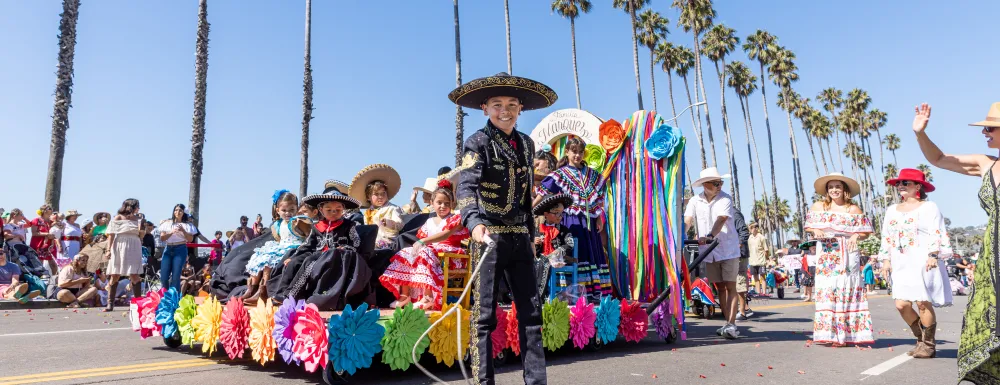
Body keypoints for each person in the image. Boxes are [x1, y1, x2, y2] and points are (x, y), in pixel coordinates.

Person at [450, 71, 556, 384]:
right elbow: (466, 186)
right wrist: (475, 224)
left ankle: (536, 381)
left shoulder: (527, 144)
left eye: (511, 103)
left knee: (531, 315)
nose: (505, 109)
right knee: (484, 318)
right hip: (488, 239)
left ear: (521, 107)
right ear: (485, 108)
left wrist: (532, 234)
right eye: (497, 104)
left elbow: (526, 196)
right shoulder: (477, 142)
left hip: (520, 239)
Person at [913, 102, 1000, 381]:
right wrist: (920, 133)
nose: (985, 132)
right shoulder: (986, 163)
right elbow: (938, 159)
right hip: (992, 254)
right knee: (987, 318)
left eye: (991, 128)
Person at [876, 167, 954, 359]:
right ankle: (920, 338)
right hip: (900, 260)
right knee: (901, 304)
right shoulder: (892, 210)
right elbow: (887, 236)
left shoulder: (929, 207)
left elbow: (937, 231)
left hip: (923, 259)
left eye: (905, 183)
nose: (900, 186)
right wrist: (886, 260)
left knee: (922, 302)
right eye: (899, 183)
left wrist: (933, 254)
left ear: (918, 186)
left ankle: (927, 345)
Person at [271, 187, 370, 310]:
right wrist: (294, 257)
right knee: (294, 262)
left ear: (343, 210)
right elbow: (307, 245)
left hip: (335, 258)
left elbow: (356, 243)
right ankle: (280, 293)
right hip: (316, 253)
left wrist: (343, 248)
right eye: (329, 209)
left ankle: (292, 296)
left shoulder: (349, 225)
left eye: (337, 209)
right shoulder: (317, 227)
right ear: (321, 210)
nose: (333, 212)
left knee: (310, 261)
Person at [805, 172, 875, 347]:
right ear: (826, 190)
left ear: (845, 189)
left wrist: (855, 236)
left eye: (838, 186)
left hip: (847, 253)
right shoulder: (819, 207)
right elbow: (809, 226)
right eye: (831, 187)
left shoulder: (853, 209)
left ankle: (845, 336)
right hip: (826, 253)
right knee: (828, 288)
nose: (834, 190)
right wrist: (815, 231)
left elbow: (866, 232)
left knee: (846, 287)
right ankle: (830, 333)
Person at [537, 136, 610, 298]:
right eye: (574, 152)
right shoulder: (560, 174)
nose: (577, 155)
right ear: (567, 152)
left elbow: (599, 198)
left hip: (589, 222)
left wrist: (598, 218)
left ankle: (592, 291)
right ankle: (570, 291)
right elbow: (543, 192)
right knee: (576, 251)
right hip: (571, 222)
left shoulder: (592, 175)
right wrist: (531, 208)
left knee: (591, 252)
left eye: (580, 152)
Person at [380, 181, 469, 310]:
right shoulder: (429, 221)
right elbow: (422, 243)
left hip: (450, 256)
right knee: (406, 252)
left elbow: (445, 235)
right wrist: (417, 247)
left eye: (447, 203)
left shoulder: (455, 219)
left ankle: (428, 297)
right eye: (439, 202)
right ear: (432, 203)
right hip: (433, 253)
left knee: (424, 252)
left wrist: (423, 242)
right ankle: (405, 294)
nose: (443, 206)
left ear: (452, 204)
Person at [684, 167, 741, 339]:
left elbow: (721, 219)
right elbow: (688, 219)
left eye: (720, 182)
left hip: (728, 249)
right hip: (708, 251)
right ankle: (726, 322)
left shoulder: (725, 199)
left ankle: (731, 324)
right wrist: (682, 234)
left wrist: (709, 236)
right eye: (716, 183)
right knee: (720, 287)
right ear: (705, 184)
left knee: (731, 285)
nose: (719, 186)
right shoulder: (695, 201)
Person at [243, 190, 311, 305]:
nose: (287, 213)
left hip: (294, 248)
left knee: (268, 263)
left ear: (297, 209)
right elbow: (280, 239)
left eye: (291, 210)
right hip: (281, 246)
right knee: (258, 258)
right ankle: (251, 289)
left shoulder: (298, 222)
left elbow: (309, 237)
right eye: (284, 210)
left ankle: (263, 292)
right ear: (277, 210)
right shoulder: (278, 225)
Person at [103, 199, 145, 312]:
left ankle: (138, 304)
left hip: (134, 246)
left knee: (134, 274)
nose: (138, 208)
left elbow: (141, 236)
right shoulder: (118, 217)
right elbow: (111, 235)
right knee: (115, 274)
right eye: (137, 206)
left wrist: (142, 225)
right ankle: (110, 303)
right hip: (119, 245)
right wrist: (108, 250)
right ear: (130, 206)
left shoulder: (139, 219)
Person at [349, 164, 404, 251]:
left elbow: (400, 224)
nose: (380, 196)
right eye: (376, 194)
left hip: (389, 242)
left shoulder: (393, 208)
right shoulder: (368, 212)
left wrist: (389, 222)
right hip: (372, 242)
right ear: (368, 197)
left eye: (383, 193)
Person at [532, 194, 576, 298]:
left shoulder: (564, 230)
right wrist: (534, 243)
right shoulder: (537, 230)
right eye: (556, 213)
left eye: (561, 214)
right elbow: (534, 250)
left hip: (559, 258)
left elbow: (570, 244)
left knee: (545, 262)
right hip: (541, 258)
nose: (559, 217)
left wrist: (558, 251)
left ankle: (539, 295)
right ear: (546, 214)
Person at [158, 204, 195, 293]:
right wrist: (171, 232)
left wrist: (183, 231)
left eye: (180, 210)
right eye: (176, 210)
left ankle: (174, 298)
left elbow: (190, 239)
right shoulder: (167, 223)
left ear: (183, 213)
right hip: (168, 247)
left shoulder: (187, 225)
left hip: (180, 248)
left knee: (176, 276)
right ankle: (165, 296)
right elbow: (162, 238)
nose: (177, 212)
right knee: (164, 276)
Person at [732, 211, 752, 321]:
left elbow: (744, 232)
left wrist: (737, 245)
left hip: (739, 254)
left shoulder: (734, 214)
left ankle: (743, 311)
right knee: (732, 283)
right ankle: (740, 309)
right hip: (730, 254)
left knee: (740, 282)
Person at [29, 205, 57, 277]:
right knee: (39, 263)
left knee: (53, 263)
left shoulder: (51, 222)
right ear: (44, 211)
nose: (51, 209)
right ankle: (38, 278)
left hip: (50, 244)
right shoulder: (36, 220)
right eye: (49, 208)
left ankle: (54, 279)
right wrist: (47, 234)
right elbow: (34, 233)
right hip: (39, 244)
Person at [747, 222, 769, 295]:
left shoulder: (761, 237)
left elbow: (766, 250)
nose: (750, 230)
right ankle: (758, 292)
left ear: (756, 228)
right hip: (752, 261)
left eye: (751, 228)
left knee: (762, 277)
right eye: (749, 228)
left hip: (761, 261)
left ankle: (764, 292)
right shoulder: (749, 238)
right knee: (755, 278)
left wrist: (766, 259)